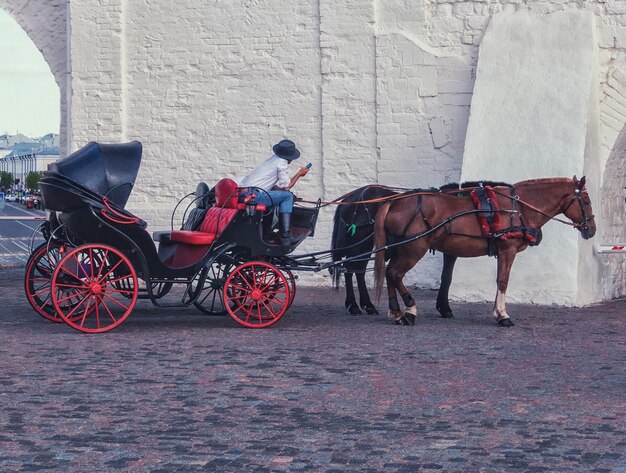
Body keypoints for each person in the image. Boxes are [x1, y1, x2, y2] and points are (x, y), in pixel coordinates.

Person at [237, 139, 310, 243]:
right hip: (254, 196)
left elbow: (274, 187)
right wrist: (299, 174)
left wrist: (282, 191)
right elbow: (287, 186)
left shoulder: (272, 159)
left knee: (280, 196)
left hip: (244, 193)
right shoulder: (282, 162)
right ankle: (285, 236)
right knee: (287, 196)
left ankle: (267, 233)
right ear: (290, 157)